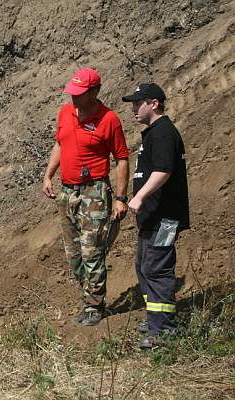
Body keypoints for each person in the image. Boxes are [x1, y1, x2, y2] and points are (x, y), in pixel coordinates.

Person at [43, 68, 129, 326]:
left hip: (95, 192)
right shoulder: (65, 113)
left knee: (92, 252)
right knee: (74, 255)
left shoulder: (109, 119)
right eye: (72, 92)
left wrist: (121, 198)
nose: (74, 97)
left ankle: (94, 306)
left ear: (95, 92)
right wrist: (48, 175)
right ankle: (89, 297)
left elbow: (122, 159)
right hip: (67, 192)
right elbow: (60, 144)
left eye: (79, 93)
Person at [122, 83, 190, 348]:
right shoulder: (154, 133)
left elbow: (163, 170)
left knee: (157, 269)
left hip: (164, 217)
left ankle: (164, 331)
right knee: (144, 265)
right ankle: (156, 320)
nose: (133, 108)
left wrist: (139, 197)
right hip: (153, 217)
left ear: (154, 104)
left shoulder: (163, 133)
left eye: (138, 103)